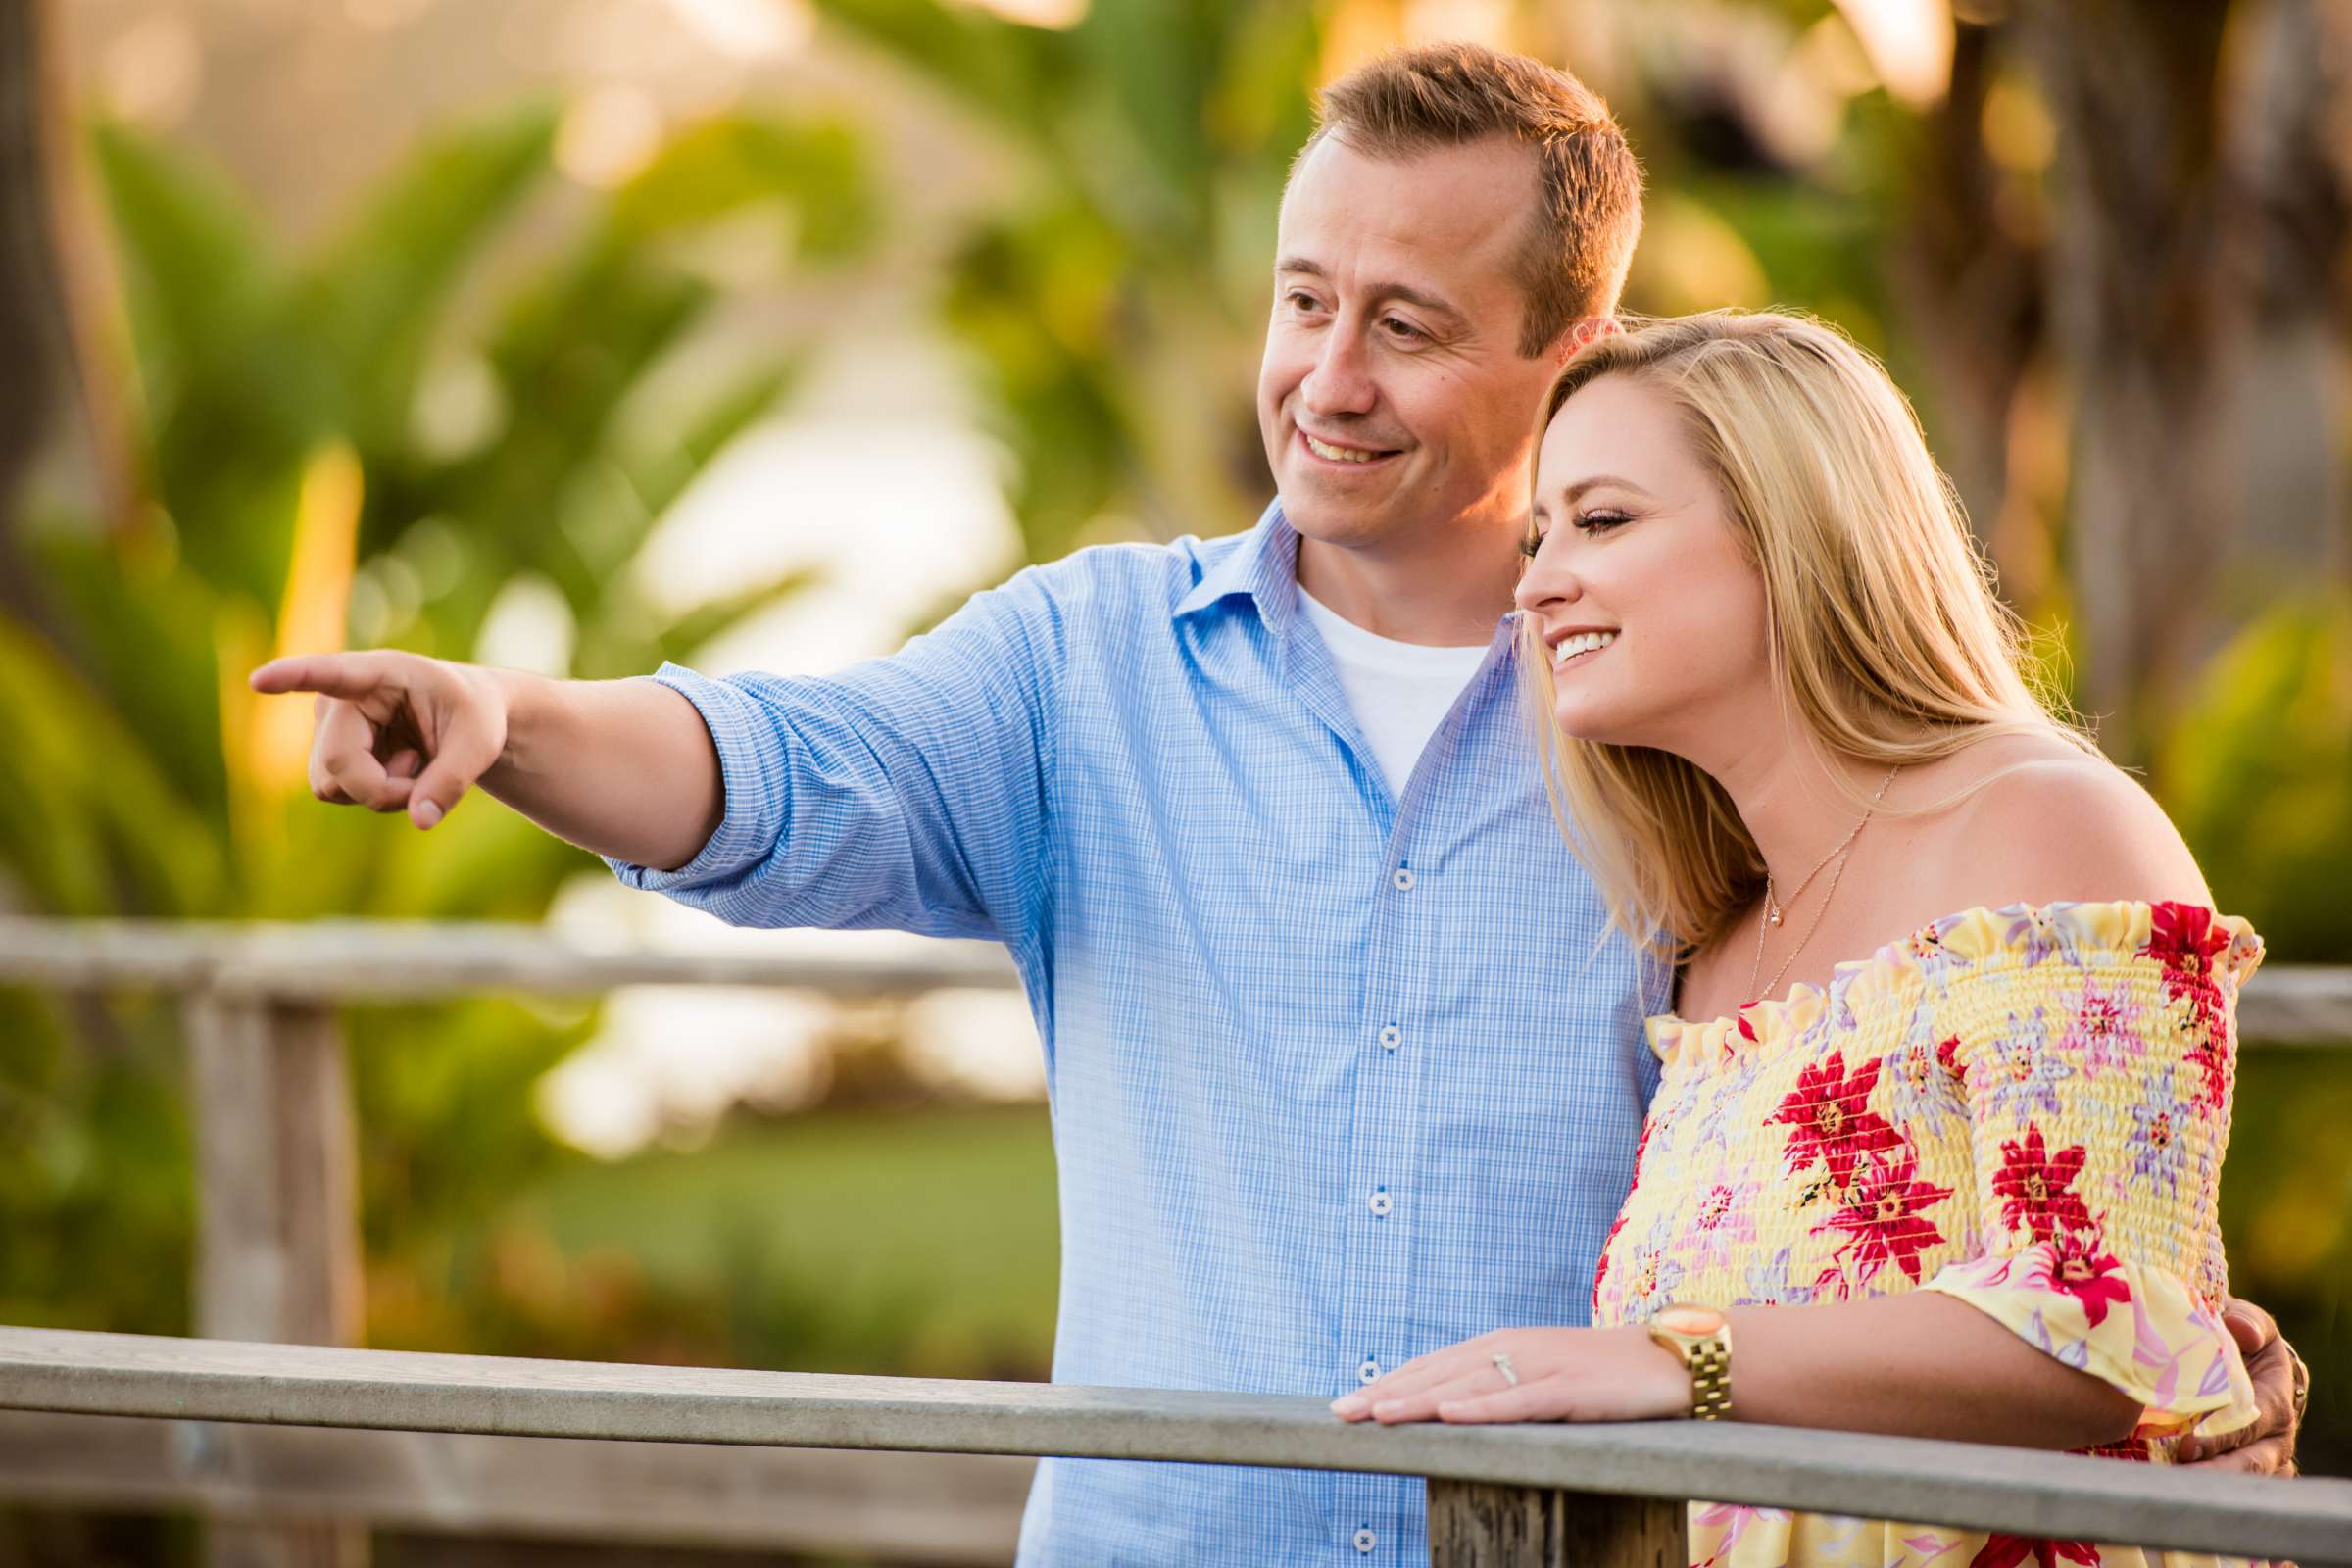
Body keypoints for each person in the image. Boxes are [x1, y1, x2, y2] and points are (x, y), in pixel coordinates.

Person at [251, 43, 2305, 1565]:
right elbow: (788, 771)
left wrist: (2147, 1351)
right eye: (1304, 299)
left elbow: (1996, 1179)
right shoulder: (1088, 664)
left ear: (1572, 347)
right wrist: (509, 716)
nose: (1329, 372)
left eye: (1407, 324)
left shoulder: (1679, 743)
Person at [1335, 310, 2302, 1564]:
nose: (1536, 581)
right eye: (1540, 534)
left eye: (1604, 519)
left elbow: (2115, 1321)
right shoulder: (1711, 942)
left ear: (1792, 529)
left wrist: (1664, 1358)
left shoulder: (2046, 829)